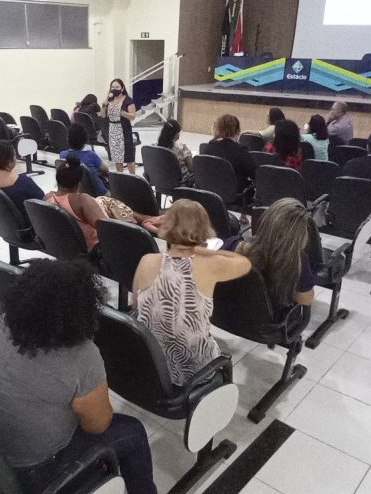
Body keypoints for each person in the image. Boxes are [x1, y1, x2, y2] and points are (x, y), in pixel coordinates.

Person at [0, 260, 193, 494]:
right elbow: (97, 425)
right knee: (131, 432)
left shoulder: (2, 321)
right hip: (34, 475)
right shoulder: (82, 356)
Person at [132, 200, 251, 386]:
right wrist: (199, 249)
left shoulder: (147, 261)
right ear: (204, 230)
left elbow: (137, 308)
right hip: (194, 371)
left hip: (152, 362)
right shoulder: (209, 264)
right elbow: (244, 263)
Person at [228, 199, 316, 311]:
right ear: (300, 235)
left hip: (233, 313)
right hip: (272, 322)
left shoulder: (235, 245)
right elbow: (306, 300)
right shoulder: (298, 261)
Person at [45, 156, 107, 251]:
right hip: (92, 249)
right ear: (79, 182)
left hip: (63, 246)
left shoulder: (48, 198)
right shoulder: (82, 200)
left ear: (58, 178)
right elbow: (108, 229)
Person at [201, 114, 255, 193]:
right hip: (234, 195)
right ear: (237, 131)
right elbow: (254, 173)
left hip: (210, 193)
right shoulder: (240, 150)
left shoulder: (207, 148)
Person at [100, 78, 137, 174]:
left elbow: (133, 116)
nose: (114, 89)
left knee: (128, 157)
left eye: (117, 87)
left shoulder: (128, 100)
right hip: (112, 130)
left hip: (124, 130)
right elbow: (103, 116)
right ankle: (120, 177)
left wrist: (122, 113)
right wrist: (103, 106)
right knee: (117, 157)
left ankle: (133, 177)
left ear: (122, 88)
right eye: (112, 87)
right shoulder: (109, 99)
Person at [59, 124, 108, 196]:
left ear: (68, 139)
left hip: (75, 191)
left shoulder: (62, 155)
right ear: (85, 140)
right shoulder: (91, 155)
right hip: (97, 193)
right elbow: (105, 169)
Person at [156, 119, 194, 185]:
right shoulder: (182, 148)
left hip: (161, 182)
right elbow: (192, 168)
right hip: (182, 183)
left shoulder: (155, 149)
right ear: (176, 134)